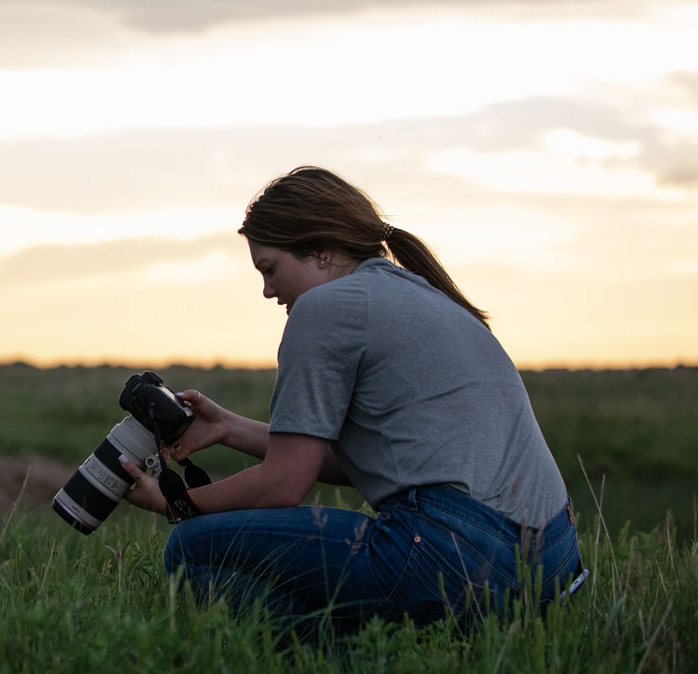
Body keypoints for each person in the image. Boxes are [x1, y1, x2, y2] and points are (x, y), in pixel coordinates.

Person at [118, 165, 584, 638]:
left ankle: (356, 656)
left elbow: (284, 484)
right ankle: (422, 643)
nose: (268, 290)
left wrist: (172, 502)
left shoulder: (325, 310)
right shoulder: (425, 297)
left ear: (321, 251)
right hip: (553, 563)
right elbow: (367, 464)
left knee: (192, 548)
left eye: (270, 269)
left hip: (459, 552)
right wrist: (228, 428)